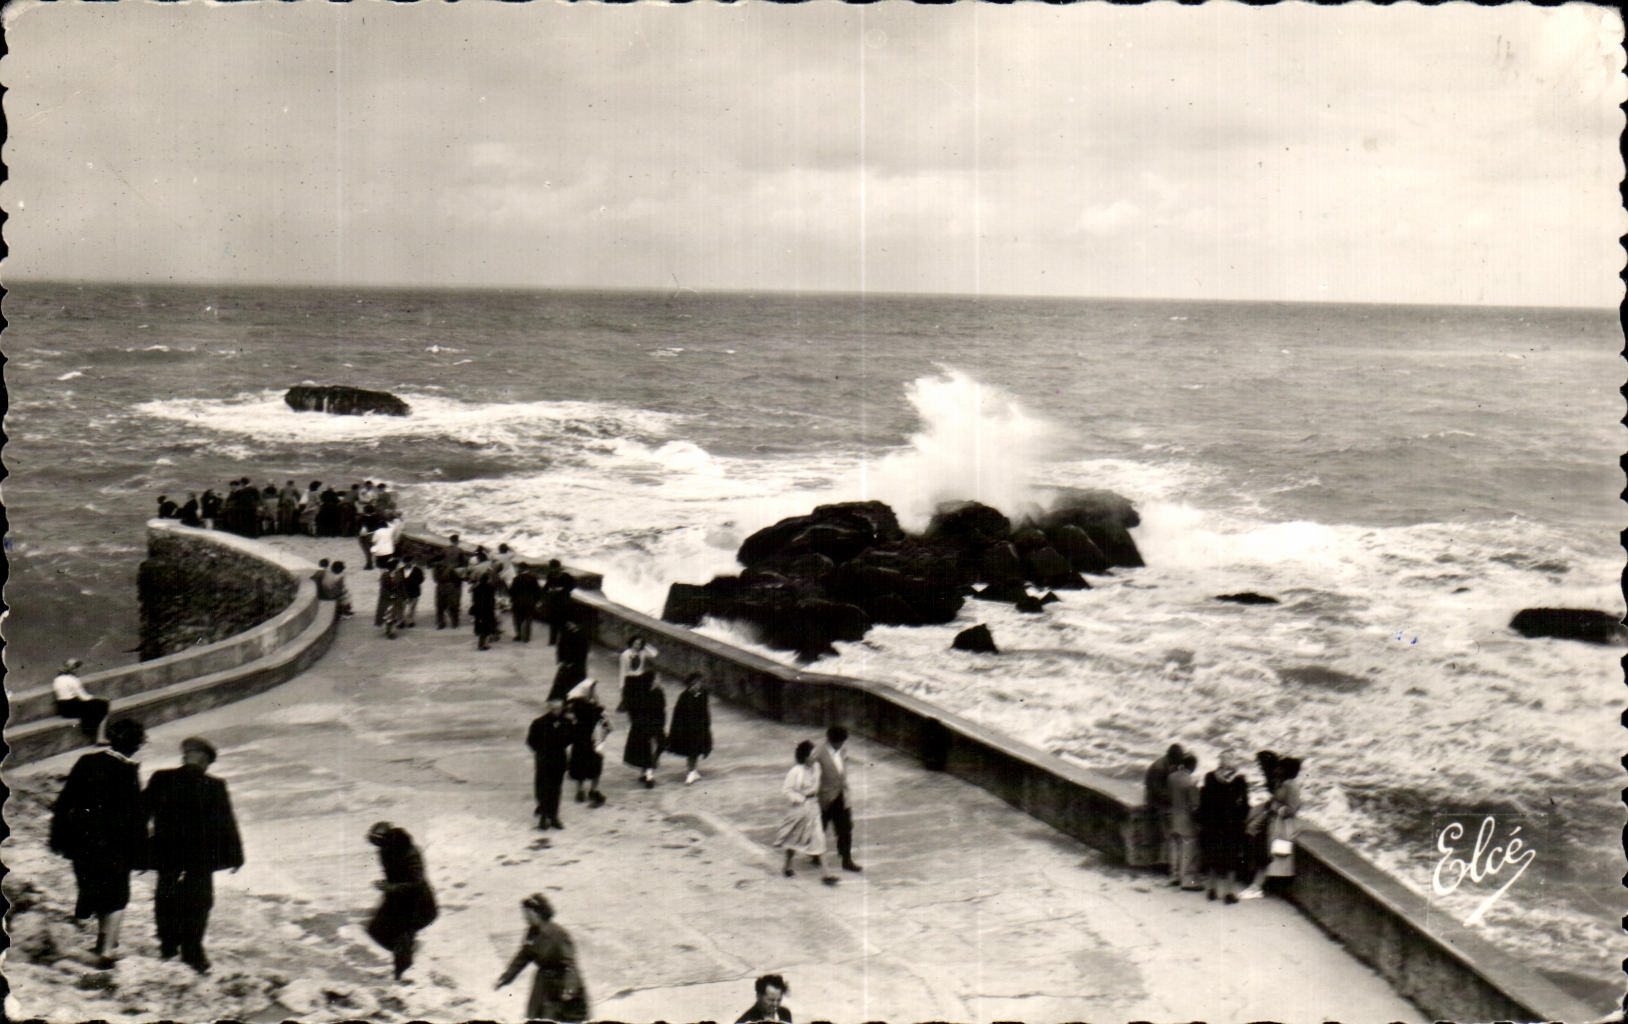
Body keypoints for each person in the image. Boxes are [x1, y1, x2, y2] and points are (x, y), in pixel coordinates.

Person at [48, 718, 148, 967]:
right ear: (135, 745)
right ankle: (106, 951)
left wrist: (58, 837)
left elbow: (64, 802)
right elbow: (136, 816)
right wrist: (142, 851)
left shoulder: (88, 761)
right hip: (116, 845)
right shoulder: (129, 771)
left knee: (95, 890)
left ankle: (104, 943)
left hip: (83, 842)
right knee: (116, 895)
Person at [145, 736, 245, 973]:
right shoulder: (215, 785)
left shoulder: (162, 777)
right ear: (205, 760)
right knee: (200, 901)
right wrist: (236, 856)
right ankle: (193, 950)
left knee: (166, 896)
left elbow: (141, 813)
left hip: (167, 851)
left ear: (187, 756)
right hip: (200, 856)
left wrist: (140, 849)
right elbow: (226, 823)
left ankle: (168, 946)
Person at [494, 893, 589, 1022]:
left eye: (527, 912)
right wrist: (506, 977)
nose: (524, 917)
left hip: (562, 984)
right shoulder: (531, 933)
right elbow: (522, 957)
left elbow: (570, 964)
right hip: (543, 985)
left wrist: (569, 989)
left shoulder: (558, 934)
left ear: (536, 912)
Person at [365, 821, 439, 980]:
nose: (377, 847)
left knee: (402, 936)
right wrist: (387, 888)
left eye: (379, 843)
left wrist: (389, 887)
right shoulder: (384, 852)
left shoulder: (409, 852)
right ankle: (407, 954)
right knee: (375, 930)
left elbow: (416, 884)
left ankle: (403, 976)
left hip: (418, 903)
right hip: (397, 899)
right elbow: (392, 877)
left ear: (388, 840)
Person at [772, 741, 836, 885]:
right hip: (799, 809)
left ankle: (827, 874)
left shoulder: (817, 767)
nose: (815, 757)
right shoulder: (796, 771)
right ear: (805, 756)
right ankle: (787, 866)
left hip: (813, 807)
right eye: (812, 754)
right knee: (794, 838)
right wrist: (800, 799)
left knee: (819, 837)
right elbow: (787, 789)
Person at [1241, 755, 1303, 900]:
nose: (1277, 769)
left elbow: (1293, 808)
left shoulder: (1291, 785)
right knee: (1267, 853)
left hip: (1282, 826)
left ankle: (1256, 887)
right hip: (1276, 823)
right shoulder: (1284, 783)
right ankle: (1256, 886)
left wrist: (1276, 807)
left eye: (1280, 767)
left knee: (1268, 854)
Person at [1198, 749, 1251, 904]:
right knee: (1231, 862)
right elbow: (1244, 806)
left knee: (1212, 857)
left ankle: (1212, 890)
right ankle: (1228, 893)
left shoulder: (1209, 777)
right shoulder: (1239, 781)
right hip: (1231, 826)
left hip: (1212, 825)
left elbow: (1204, 802)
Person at [813, 725, 861, 872]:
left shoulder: (843, 750)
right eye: (838, 742)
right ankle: (815, 854)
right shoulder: (817, 754)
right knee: (820, 827)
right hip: (824, 797)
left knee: (846, 827)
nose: (840, 745)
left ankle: (846, 859)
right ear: (830, 740)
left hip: (841, 794)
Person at [527, 701, 574, 830]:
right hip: (544, 759)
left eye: (559, 708)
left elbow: (571, 738)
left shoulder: (567, 722)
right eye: (554, 709)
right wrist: (541, 751)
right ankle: (543, 815)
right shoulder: (539, 723)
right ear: (549, 708)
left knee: (556, 788)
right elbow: (531, 741)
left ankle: (553, 816)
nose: (556, 711)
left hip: (559, 760)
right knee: (542, 787)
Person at [565, 679, 611, 808]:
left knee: (579, 765)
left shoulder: (574, 705)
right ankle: (593, 790)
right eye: (592, 689)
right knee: (595, 765)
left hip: (579, 739)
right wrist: (598, 703)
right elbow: (602, 717)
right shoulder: (592, 707)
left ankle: (580, 791)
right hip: (591, 740)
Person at [1143, 742, 1185, 874]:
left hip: (1161, 800)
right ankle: (1162, 862)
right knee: (1167, 833)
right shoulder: (1159, 768)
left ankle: (1166, 861)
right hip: (1156, 803)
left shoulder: (1167, 764)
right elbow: (1157, 791)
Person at [666, 672, 712, 785]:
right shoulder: (684, 696)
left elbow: (705, 710)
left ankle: (693, 770)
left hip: (699, 726)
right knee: (691, 750)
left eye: (700, 683)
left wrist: (706, 724)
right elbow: (678, 714)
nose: (698, 685)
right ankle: (691, 771)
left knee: (696, 750)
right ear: (691, 684)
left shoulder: (703, 694)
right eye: (695, 683)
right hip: (688, 727)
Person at [622, 669, 666, 788]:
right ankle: (648, 775)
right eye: (657, 678)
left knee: (654, 749)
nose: (659, 681)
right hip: (642, 725)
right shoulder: (641, 693)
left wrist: (660, 724)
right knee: (646, 749)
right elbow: (634, 709)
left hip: (654, 724)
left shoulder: (659, 692)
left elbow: (662, 710)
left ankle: (647, 773)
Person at [1166, 752, 1202, 891]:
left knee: (1174, 848)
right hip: (1186, 821)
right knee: (1188, 851)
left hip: (1172, 818)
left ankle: (1174, 876)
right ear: (1193, 766)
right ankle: (1187, 880)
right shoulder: (1191, 782)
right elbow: (1195, 805)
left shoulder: (1171, 777)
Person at [53, 658, 110, 742]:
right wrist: (101, 698)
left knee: (92, 707)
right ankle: (100, 737)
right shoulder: (73, 679)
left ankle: (94, 733)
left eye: (77, 667)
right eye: (75, 667)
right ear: (70, 669)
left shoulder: (57, 679)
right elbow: (84, 697)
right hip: (72, 706)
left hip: (63, 709)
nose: (76, 669)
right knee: (103, 704)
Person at [552, 616, 590, 699]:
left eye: (570, 623)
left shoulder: (581, 635)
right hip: (567, 662)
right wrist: (561, 659)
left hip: (576, 665)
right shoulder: (566, 632)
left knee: (575, 683)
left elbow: (582, 652)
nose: (569, 625)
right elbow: (560, 646)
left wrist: (572, 662)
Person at [434, 535, 467, 629]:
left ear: (450, 540)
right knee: (454, 603)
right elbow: (464, 566)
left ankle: (441, 623)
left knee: (440, 604)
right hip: (455, 581)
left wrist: (437, 578)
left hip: (442, 581)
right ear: (457, 541)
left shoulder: (444, 550)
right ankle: (454, 622)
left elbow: (436, 564)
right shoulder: (460, 551)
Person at [617, 637, 657, 712]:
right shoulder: (625, 654)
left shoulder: (642, 652)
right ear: (632, 643)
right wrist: (622, 684)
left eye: (639, 644)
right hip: (629, 678)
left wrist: (645, 645)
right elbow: (623, 670)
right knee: (627, 700)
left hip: (640, 677)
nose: (637, 646)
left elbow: (654, 654)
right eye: (635, 643)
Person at [542, 561, 573, 646]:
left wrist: (561, 589)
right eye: (552, 568)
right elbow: (546, 587)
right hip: (555, 602)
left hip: (563, 602)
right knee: (554, 622)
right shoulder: (551, 576)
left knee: (562, 623)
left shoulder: (566, 577)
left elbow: (571, 587)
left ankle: (559, 641)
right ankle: (553, 641)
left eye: (554, 568)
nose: (553, 570)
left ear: (558, 568)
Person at [509, 565, 542, 643]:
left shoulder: (516, 579)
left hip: (518, 602)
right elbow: (537, 591)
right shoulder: (533, 579)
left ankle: (519, 635)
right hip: (530, 602)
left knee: (518, 619)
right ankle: (527, 637)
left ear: (520, 569)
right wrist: (535, 601)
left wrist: (513, 599)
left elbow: (511, 591)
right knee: (528, 619)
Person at [470, 565, 500, 651]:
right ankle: (482, 645)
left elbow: (474, 599)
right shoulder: (490, 588)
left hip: (478, 610)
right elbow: (492, 599)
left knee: (481, 627)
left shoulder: (476, 589)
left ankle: (483, 643)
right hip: (487, 610)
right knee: (486, 628)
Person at [401, 557, 425, 628]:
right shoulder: (400, 570)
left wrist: (413, 582)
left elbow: (421, 579)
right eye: (406, 562)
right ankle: (402, 621)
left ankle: (410, 621)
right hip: (403, 592)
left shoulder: (417, 570)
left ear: (412, 562)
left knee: (412, 607)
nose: (407, 564)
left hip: (414, 591)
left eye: (409, 562)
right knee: (402, 607)